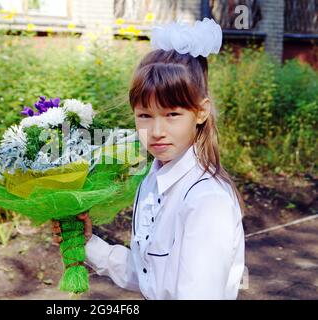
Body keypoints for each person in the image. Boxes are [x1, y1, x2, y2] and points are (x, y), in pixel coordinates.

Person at [52, 18, 245, 300]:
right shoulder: (152, 179)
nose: (156, 131)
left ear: (201, 112)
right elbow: (150, 276)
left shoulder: (205, 201)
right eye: (145, 115)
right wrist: (88, 243)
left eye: (172, 115)